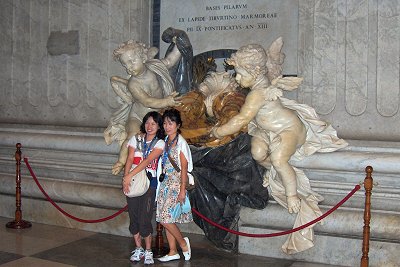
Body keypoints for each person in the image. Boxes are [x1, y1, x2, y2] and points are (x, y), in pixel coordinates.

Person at [105, 37, 184, 175]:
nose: (129, 67)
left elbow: (170, 61)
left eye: (132, 61)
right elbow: (147, 101)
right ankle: (121, 161)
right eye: (125, 65)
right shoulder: (133, 84)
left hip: (157, 115)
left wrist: (180, 44)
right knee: (132, 137)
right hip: (138, 117)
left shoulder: (154, 67)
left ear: (143, 58)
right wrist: (167, 101)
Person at [122, 111, 166, 264]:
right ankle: (138, 248)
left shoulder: (160, 143)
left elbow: (147, 161)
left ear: (159, 126)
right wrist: (126, 178)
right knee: (133, 217)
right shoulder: (136, 139)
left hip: (149, 183)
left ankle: (148, 250)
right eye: (147, 122)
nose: (149, 126)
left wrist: (128, 176)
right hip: (133, 182)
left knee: (144, 218)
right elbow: (129, 158)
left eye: (153, 123)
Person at [156, 108, 193, 262]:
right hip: (165, 184)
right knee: (166, 218)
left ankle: (183, 244)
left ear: (178, 125)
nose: (167, 126)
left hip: (176, 184)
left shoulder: (181, 143)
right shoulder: (165, 141)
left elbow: (184, 168)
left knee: (165, 218)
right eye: (165, 123)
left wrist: (182, 190)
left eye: (170, 123)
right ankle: (172, 251)